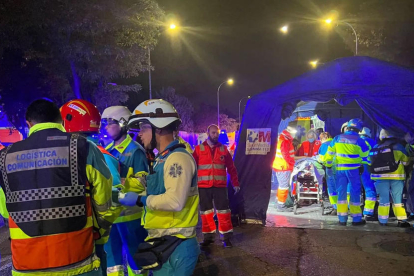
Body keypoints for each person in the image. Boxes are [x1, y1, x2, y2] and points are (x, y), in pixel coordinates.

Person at [0, 99, 114, 275]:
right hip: (77, 261)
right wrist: (101, 236)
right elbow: (104, 201)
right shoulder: (83, 148)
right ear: (61, 120)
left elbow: (6, 211)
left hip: (27, 264)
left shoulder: (4, 158)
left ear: (28, 123)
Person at [119, 99, 200, 276]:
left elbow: (175, 201)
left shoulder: (177, 158)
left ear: (160, 127)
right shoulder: (162, 159)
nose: (140, 134)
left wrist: (140, 200)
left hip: (176, 244)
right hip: (165, 243)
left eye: (144, 128)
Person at [61, 99, 124, 276]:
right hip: (89, 239)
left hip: (83, 241)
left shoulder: (93, 154)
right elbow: (109, 199)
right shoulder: (96, 153)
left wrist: (99, 231)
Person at [100, 106, 148, 276]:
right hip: (111, 216)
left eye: (110, 122)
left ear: (123, 123)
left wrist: (119, 181)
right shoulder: (106, 150)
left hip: (131, 216)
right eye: (105, 123)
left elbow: (143, 184)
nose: (106, 126)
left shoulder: (136, 151)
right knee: (112, 264)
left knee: (137, 263)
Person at [193, 124, 240, 248]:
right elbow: (192, 169)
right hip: (203, 187)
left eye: (217, 133)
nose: (216, 135)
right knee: (206, 213)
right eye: (213, 133)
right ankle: (208, 238)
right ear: (208, 133)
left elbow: (231, 168)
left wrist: (235, 183)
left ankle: (226, 238)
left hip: (220, 187)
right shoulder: (198, 149)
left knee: (224, 212)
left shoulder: (224, 149)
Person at [324, 119, 370, 226]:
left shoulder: (337, 138)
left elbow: (329, 154)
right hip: (353, 171)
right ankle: (356, 219)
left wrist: (329, 165)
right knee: (354, 193)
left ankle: (342, 219)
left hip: (340, 171)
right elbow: (366, 155)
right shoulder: (359, 140)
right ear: (358, 129)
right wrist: (362, 164)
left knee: (341, 194)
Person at [370, 129, 410, 227]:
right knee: (398, 200)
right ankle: (401, 220)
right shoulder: (399, 147)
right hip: (396, 177)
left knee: (383, 199)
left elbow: (370, 161)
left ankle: (383, 221)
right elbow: (406, 162)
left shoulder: (376, 147)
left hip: (379, 177)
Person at [273, 125, 297, 212]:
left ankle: (278, 202)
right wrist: (292, 165)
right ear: (290, 133)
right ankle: (281, 205)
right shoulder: (285, 141)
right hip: (284, 167)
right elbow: (286, 155)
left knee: (281, 186)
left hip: (280, 166)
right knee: (284, 186)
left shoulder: (281, 139)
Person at [359, 127, 377, 220]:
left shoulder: (355, 140)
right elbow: (375, 155)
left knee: (353, 190)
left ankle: (354, 211)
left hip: (353, 167)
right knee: (369, 189)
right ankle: (368, 213)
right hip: (366, 167)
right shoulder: (371, 142)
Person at [318, 132, 337, 215]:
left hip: (330, 169)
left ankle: (336, 208)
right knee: (341, 188)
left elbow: (321, 159)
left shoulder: (324, 145)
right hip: (341, 168)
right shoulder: (336, 143)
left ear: (323, 138)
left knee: (332, 189)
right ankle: (344, 207)